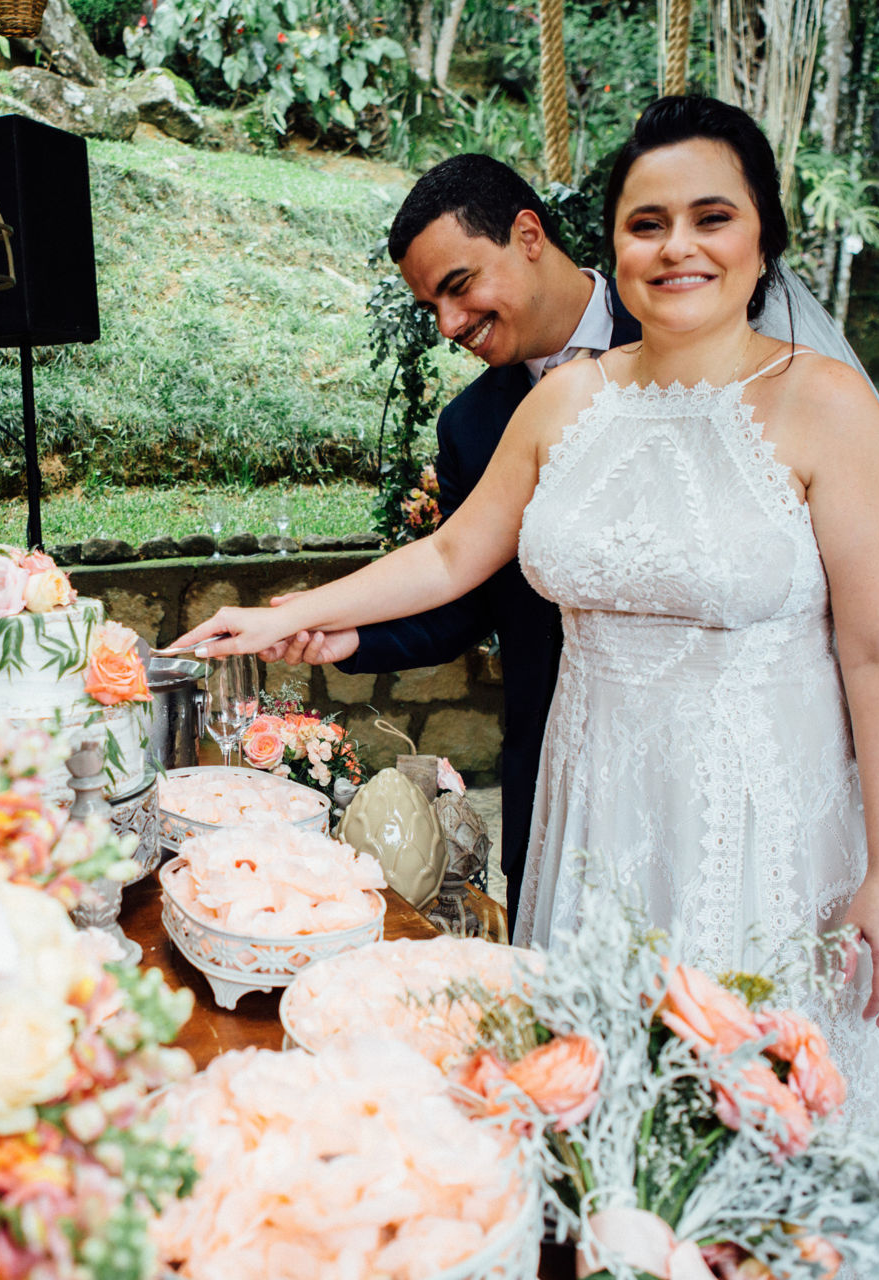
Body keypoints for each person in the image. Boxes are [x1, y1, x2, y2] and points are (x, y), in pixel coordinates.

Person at [177, 96, 879, 1278]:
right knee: (607, 1121)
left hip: (767, 829)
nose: (676, 246)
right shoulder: (566, 400)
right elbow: (453, 554)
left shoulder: (828, 407)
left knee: (765, 1130)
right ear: (615, 238)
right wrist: (296, 612)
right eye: (648, 222)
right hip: (598, 817)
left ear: (761, 236)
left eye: (712, 216)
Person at [264, 153, 639, 937]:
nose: (447, 325)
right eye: (429, 304)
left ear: (528, 234)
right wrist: (351, 632)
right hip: (553, 763)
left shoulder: (681, 334)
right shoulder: (472, 425)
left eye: (459, 285)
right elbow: (465, 591)